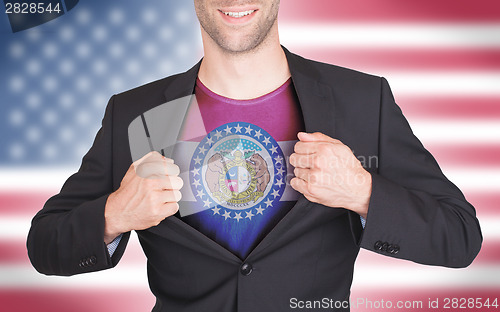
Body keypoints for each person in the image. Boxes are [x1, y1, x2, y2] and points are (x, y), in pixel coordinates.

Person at [27, 1, 482, 311]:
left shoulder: (361, 100)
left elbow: (460, 236)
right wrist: (114, 214)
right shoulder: (137, 114)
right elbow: (45, 245)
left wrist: (363, 191)